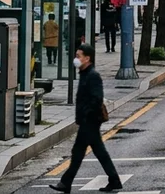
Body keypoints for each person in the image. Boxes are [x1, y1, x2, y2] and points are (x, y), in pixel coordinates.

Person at [49, 45, 121, 194]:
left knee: (80, 152)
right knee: (93, 152)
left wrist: (86, 114)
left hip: (91, 120)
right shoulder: (84, 73)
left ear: (87, 58)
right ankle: (113, 180)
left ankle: (66, 183)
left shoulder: (93, 75)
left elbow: (97, 98)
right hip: (87, 120)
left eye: (79, 56)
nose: (76, 59)